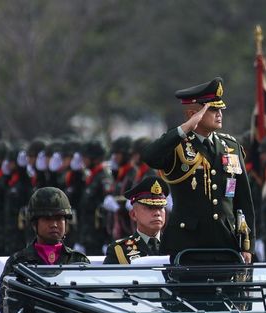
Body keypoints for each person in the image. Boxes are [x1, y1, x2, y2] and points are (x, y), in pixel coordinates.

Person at [142, 77, 255, 263]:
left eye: (220, 109)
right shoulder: (177, 144)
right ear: (192, 113)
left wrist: (247, 245)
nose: (219, 114)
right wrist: (184, 129)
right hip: (187, 242)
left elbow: (243, 200)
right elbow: (150, 157)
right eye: (212, 109)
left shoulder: (230, 146)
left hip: (226, 242)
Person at [0, 187, 89, 312]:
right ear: (35, 223)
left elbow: (89, 304)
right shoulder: (17, 262)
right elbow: (6, 306)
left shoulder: (78, 260)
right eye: (47, 219)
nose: (54, 224)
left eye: (59, 218)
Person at [104, 176, 167, 264]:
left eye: (160, 207)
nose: (157, 213)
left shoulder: (176, 246)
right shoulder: (120, 250)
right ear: (133, 214)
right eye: (150, 208)